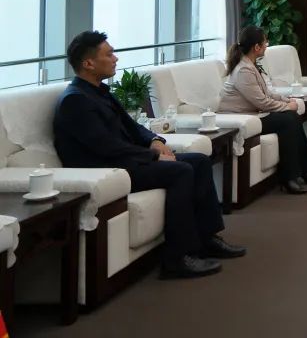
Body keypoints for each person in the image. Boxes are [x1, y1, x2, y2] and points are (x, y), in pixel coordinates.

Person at [53, 31, 245, 279]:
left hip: (126, 161)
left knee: (198, 161)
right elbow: (106, 146)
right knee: (181, 171)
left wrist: (155, 141)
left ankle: (207, 238)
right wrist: (152, 157)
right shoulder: (75, 101)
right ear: (88, 63)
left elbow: (132, 127)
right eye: (109, 54)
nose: (115, 58)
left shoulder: (99, 92)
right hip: (109, 169)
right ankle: (176, 258)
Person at [218, 26, 307, 194]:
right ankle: (290, 177)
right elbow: (262, 103)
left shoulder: (250, 64)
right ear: (256, 47)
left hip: (253, 114)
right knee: (288, 119)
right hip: (241, 118)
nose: (267, 45)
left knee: (291, 118)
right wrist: (287, 107)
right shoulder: (243, 70)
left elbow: (267, 93)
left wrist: (287, 100)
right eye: (265, 42)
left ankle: (304, 171)